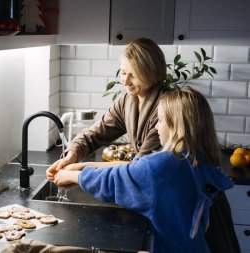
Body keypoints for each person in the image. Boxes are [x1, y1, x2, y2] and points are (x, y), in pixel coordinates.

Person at [49, 87, 234, 253]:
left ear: (177, 126)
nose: (156, 126)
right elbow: (135, 170)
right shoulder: (191, 159)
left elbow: (114, 181)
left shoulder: (164, 164)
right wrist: (81, 166)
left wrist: (72, 176)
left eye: (160, 120)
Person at [49, 37, 166, 174]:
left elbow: (140, 169)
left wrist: (82, 169)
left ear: (152, 73)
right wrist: (73, 153)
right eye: (123, 73)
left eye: (133, 76)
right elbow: (95, 133)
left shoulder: (166, 109)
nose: (125, 81)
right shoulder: (127, 102)